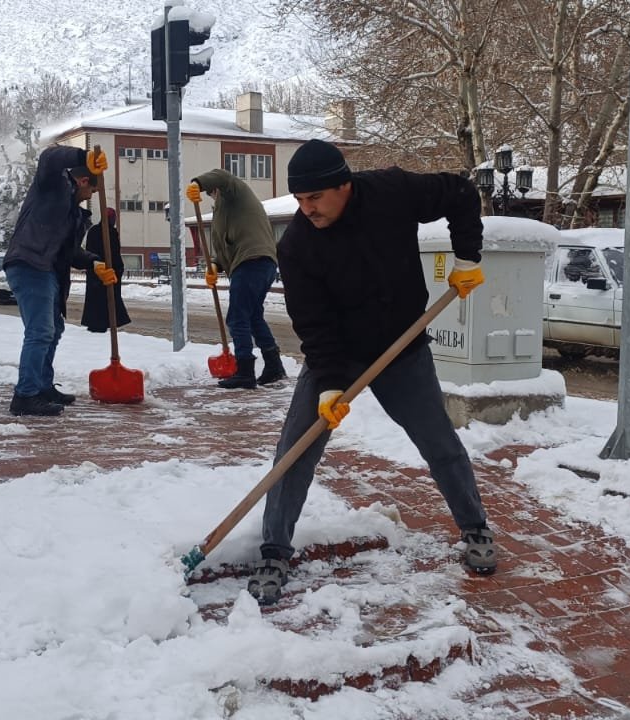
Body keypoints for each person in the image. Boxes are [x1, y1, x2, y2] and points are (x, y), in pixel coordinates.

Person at [247, 139, 495, 605]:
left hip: (403, 350)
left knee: (439, 442)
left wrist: (467, 256)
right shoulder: (298, 245)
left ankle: (475, 528)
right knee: (295, 450)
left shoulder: (392, 191)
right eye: (300, 200)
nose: (308, 209)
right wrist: (330, 384)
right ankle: (274, 552)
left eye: (315, 197)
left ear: (343, 185)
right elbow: (313, 323)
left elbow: (461, 194)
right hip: (338, 356)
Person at [3, 144, 117, 416]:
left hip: (48, 270)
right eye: (92, 190)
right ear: (83, 179)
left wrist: (94, 263)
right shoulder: (52, 185)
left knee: (53, 329)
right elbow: (49, 157)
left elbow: (70, 253)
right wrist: (83, 156)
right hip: (30, 262)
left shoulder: (74, 215)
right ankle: (25, 396)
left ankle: (42, 387)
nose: (91, 196)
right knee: (40, 331)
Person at [186, 169, 286, 389]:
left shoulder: (234, 192)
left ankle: (245, 372)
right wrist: (215, 265)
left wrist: (197, 182)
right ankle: (273, 366)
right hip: (259, 262)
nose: (211, 195)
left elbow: (222, 176)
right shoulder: (225, 210)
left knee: (237, 317)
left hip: (252, 261)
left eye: (210, 191)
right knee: (253, 317)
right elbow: (226, 246)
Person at [80, 207, 132, 333]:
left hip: (94, 270)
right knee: (108, 299)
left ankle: (95, 322)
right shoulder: (110, 232)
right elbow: (114, 254)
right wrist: (118, 268)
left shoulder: (93, 231)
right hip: (107, 272)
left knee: (95, 300)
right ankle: (106, 322)